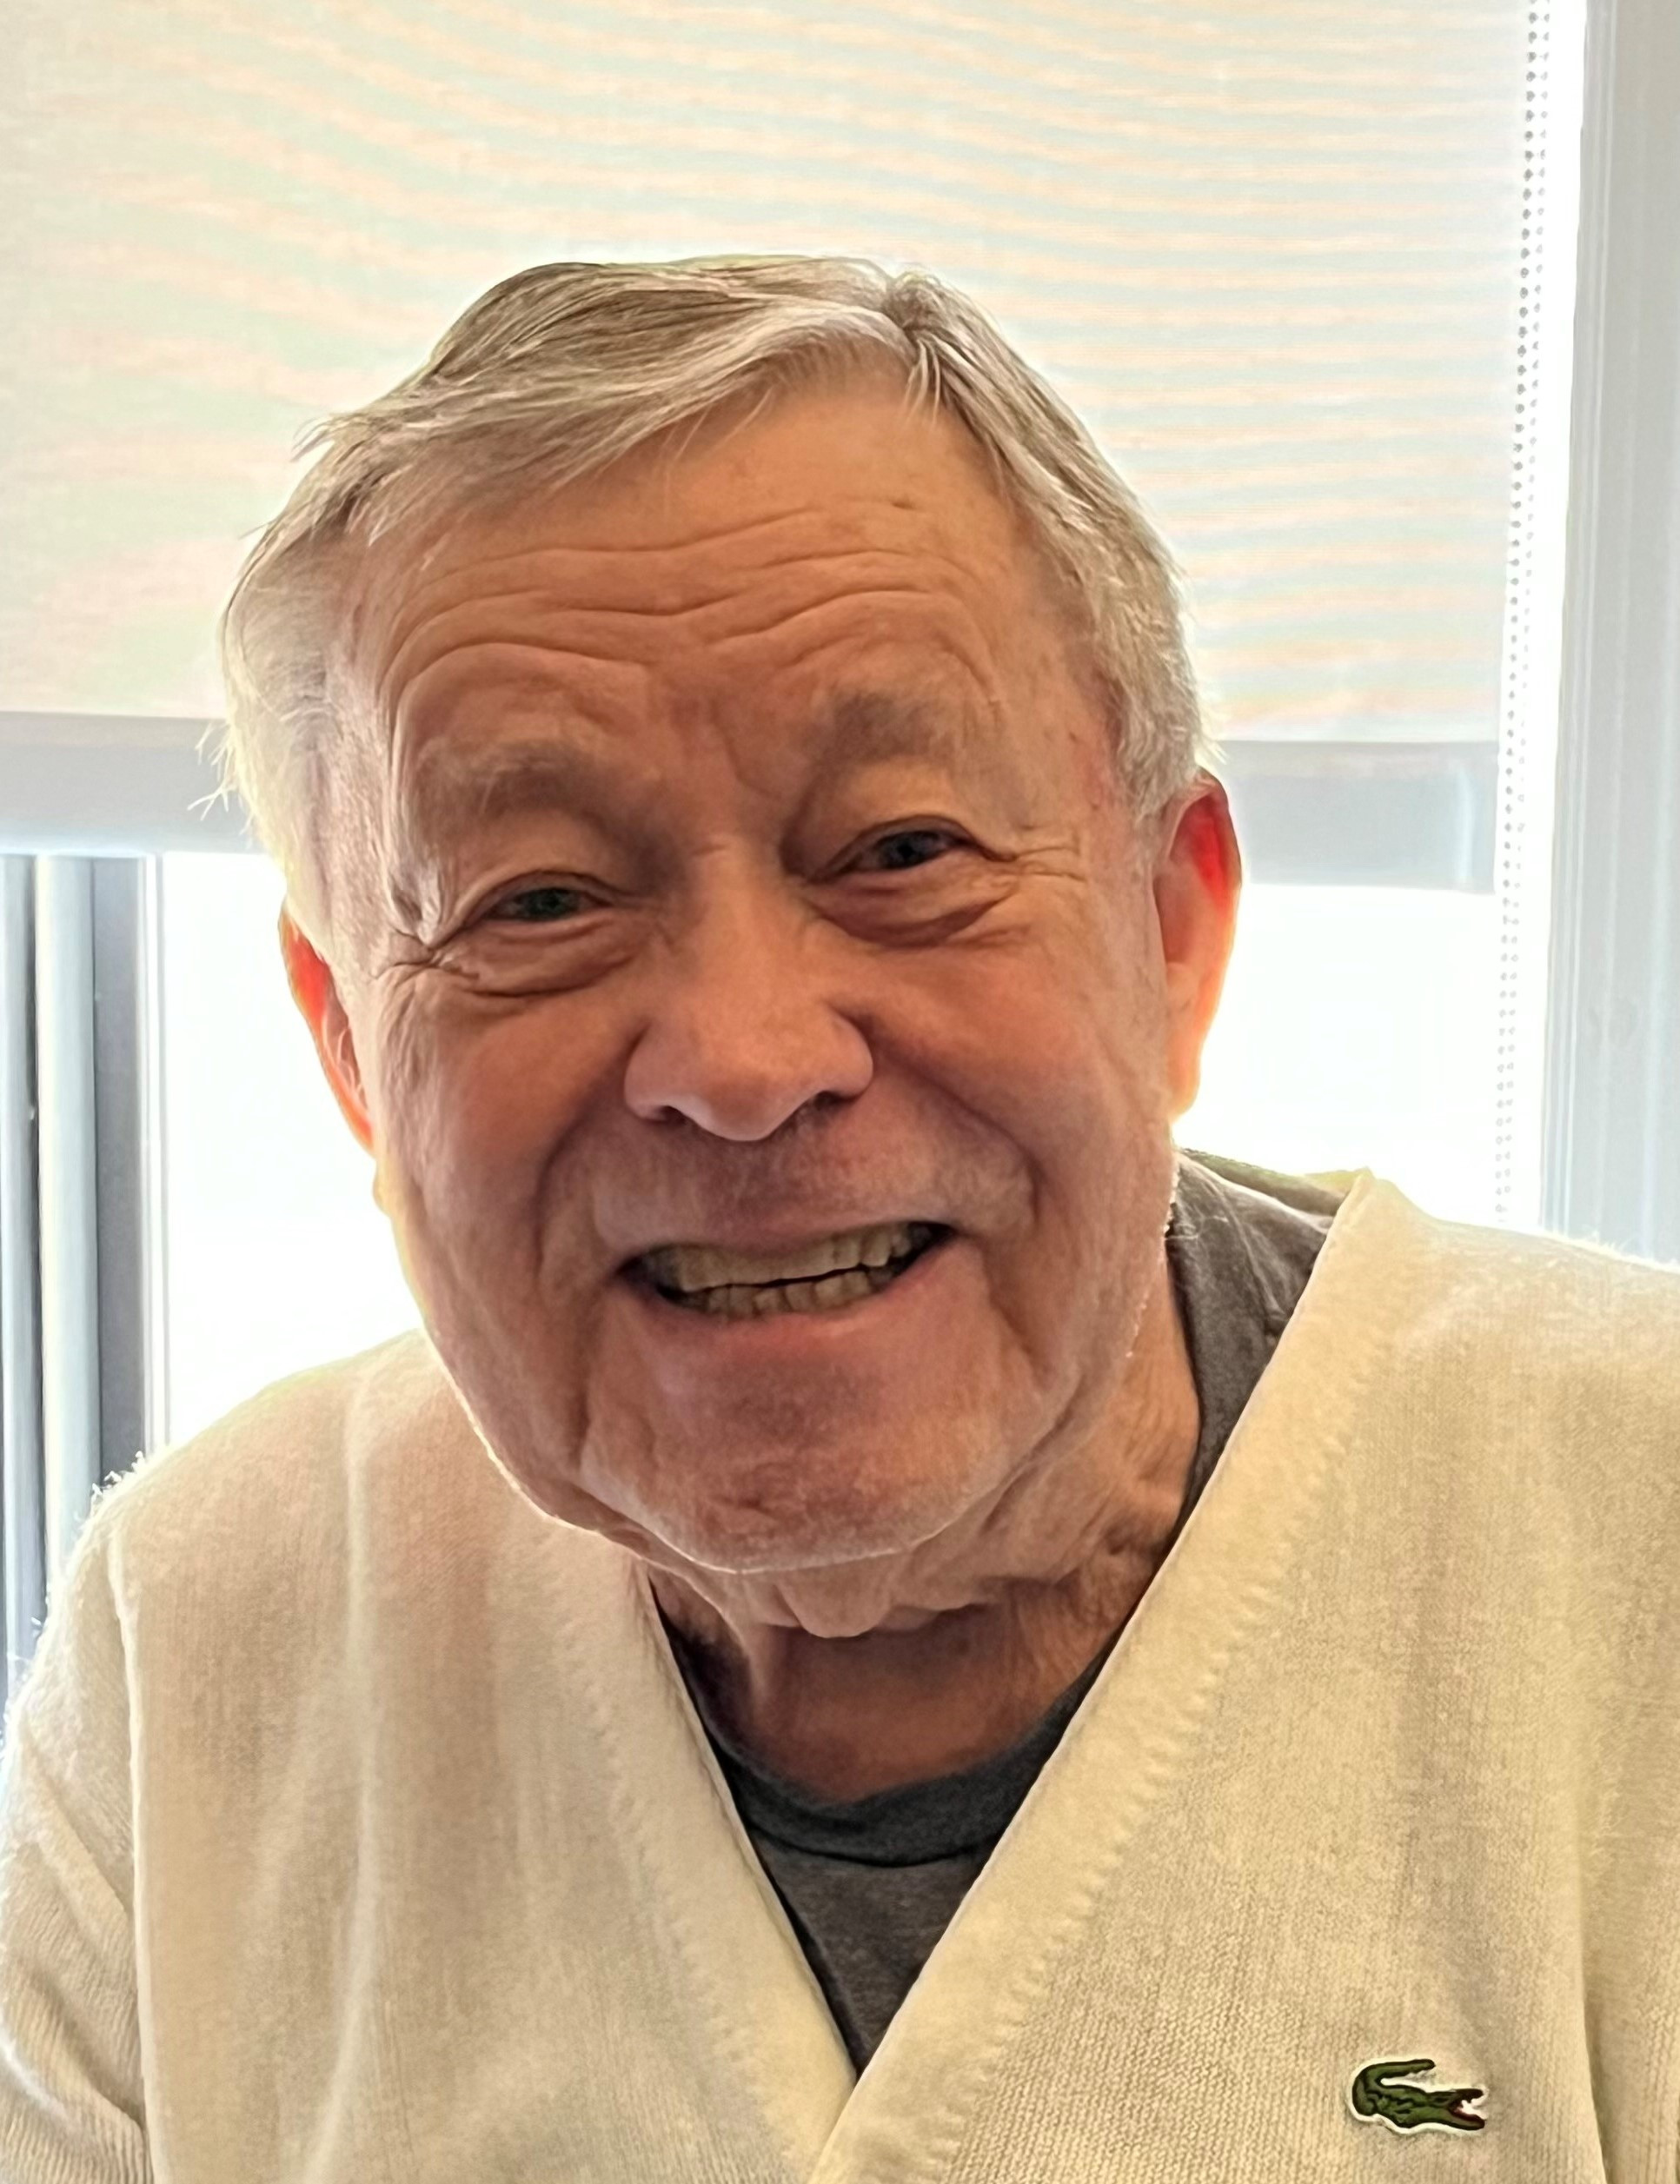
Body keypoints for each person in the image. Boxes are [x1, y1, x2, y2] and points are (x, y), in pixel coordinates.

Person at [2, 256, 1677, 2183]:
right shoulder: (195, 1650)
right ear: (350, 1052)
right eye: (538, 901)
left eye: (900, 851)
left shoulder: (1633, 1536)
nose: (742, 1059)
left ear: (1172, 928)